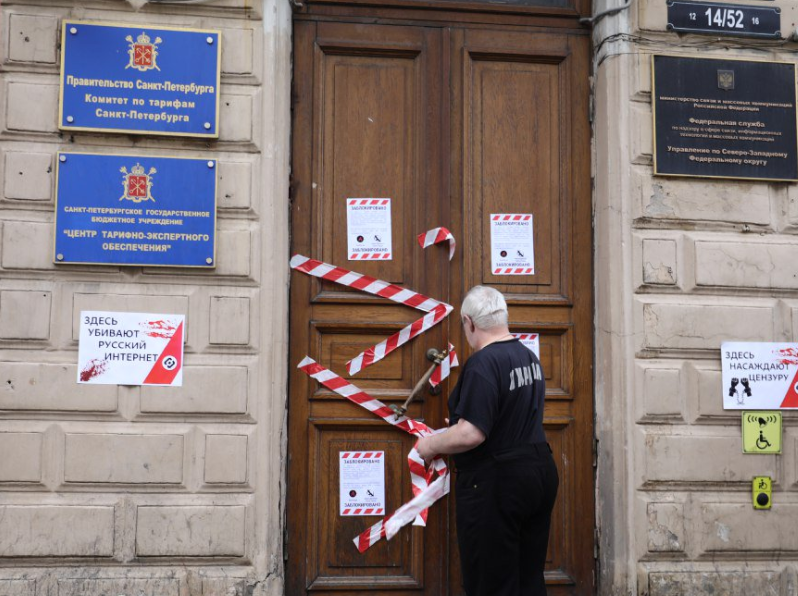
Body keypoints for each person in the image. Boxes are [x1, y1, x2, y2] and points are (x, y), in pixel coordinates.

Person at [416, 285, 558, 596]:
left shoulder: (483, 362)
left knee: (491, 582)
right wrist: (459, 425)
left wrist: (430, 445)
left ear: (469, 322)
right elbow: (506, 414)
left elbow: (472, 433)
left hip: (499, 483)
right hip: (538, 473)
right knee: (528, 577)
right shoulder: (527, 356)